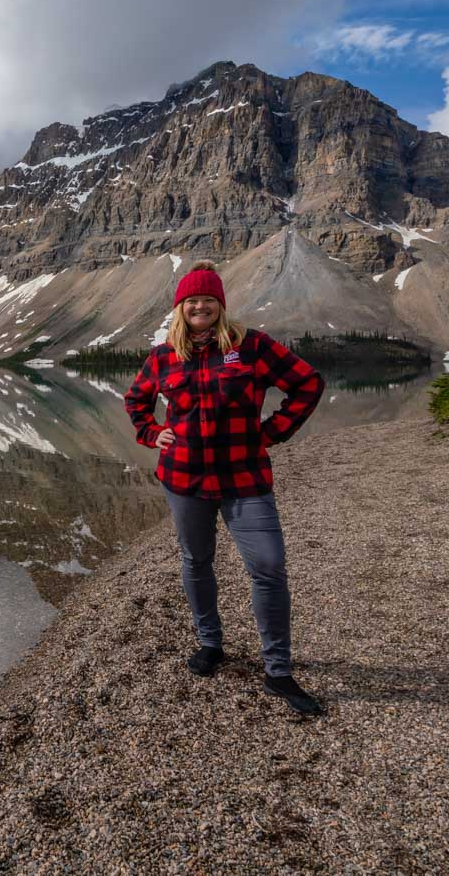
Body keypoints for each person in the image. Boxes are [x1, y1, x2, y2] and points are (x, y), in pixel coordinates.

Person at [122, 259, 326, 715]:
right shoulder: (162, 356)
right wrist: (153, 433)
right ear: (181, 307)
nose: (200, 306)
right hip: (183, 478)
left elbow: (308, 384)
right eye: (192, 300)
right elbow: (136, 400)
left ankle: (278, 670)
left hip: (244, 477)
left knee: (269, 567)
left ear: (220, 305)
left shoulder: (251, 346)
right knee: (196, 560)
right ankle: (210, 643)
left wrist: (273, 431)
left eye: (208, 300)